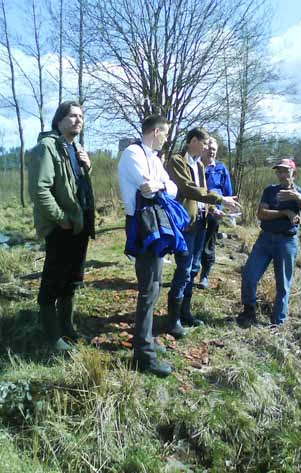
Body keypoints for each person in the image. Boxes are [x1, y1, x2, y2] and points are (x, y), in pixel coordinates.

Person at [28, 101, 95, 351]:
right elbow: (39, 190)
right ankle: (52, 335)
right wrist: (61, 218)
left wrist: (88, 166)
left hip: (80, 226)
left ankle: (67, 327)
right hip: (61, 227)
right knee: (53, 281)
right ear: (59, 121)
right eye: (72, 116)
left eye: (80, 116)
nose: (78, 120)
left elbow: (77, 183)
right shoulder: (47, 147)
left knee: (72, 279)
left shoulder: (76, 147)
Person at [118, 115, 178, 377]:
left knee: (153, 288)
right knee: (148, 289)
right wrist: (157, 186)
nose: (166, 138)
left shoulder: (152, 158)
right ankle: (144, 354)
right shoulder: (132, 153)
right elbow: (146, 190)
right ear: (156, 131)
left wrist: (160, 184)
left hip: (154, 223)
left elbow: (171, 188)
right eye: (165, 133)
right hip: (142, 225)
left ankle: (147, 340)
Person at [166, 127, 241, 338]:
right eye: (205, 143)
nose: (208, 147)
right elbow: (188, 189)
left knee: (193, 268)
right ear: (192, 141)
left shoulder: (199, 164)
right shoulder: (177, 161)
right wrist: (218, 198)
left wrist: (214, 209)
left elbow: (200, 198)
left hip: (201, 224)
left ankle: (185, 312)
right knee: (183, 268)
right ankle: (173, 321)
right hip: (186, 225)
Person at [237, 157, 301, 327]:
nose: (282, 174)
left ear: (294, 173)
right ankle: (248, 312)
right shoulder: (270, 190)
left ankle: (277, 323)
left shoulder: (300, 193)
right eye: (279, 171)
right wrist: (285, 212)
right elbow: (261, 214)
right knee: (249, 275)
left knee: (283, 285)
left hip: (286, 242)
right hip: (265, 240)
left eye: (286, 171)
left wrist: (296, 196)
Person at [199, 137, 233, 289]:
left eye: (214, 149)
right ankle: (189, 273)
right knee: (195, 242)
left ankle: (204, 275)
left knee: (209, 243)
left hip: (214, 212)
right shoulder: (195, 166)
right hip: (197, 210)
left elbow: (228, 194)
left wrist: (226, 210)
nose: (212, 151)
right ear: (203, 148)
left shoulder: (220, 168)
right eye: (209, 148)